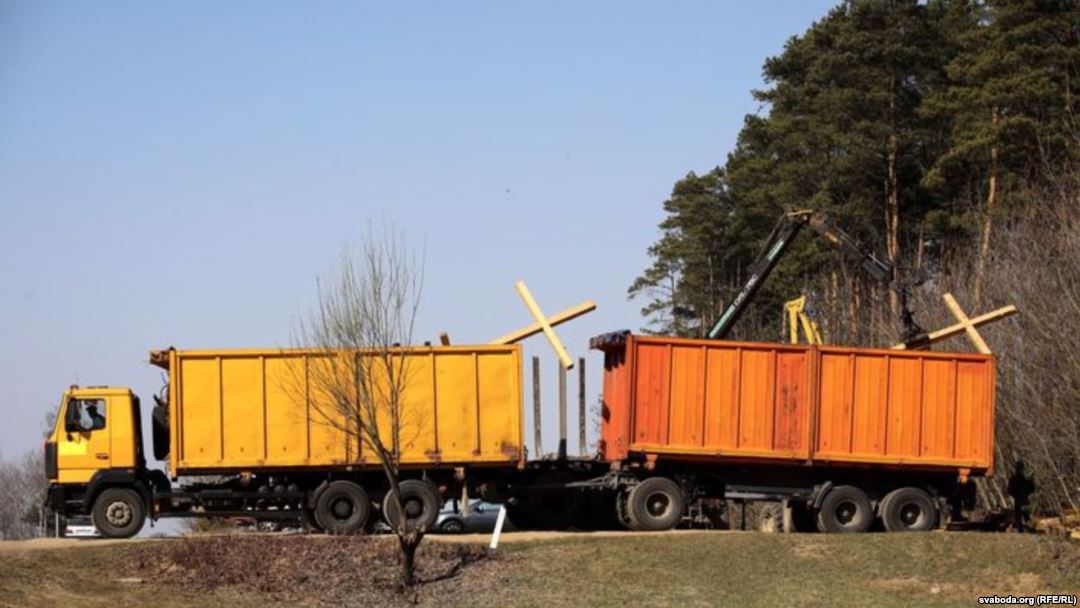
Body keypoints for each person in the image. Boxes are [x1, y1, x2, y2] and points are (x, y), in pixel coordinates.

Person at [1007, 460, 1035, 532]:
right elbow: (1032, 489)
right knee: (1026, 516)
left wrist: (1015, 495)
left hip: (1018, 500)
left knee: (1018, 516)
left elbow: (1010, 490)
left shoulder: (1013, 479)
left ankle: (1021, 529)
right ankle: (1031, 529)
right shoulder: (1026, 479)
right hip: (1025, 499)